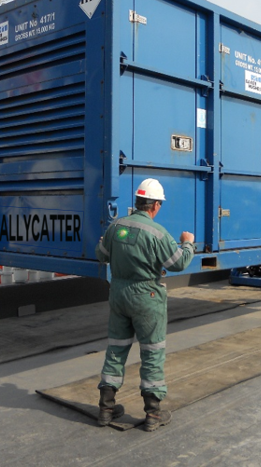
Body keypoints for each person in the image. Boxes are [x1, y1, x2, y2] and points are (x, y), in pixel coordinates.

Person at [95, 178, 195, 431]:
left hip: (118, 294)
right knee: (152, 353)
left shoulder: (116, 226)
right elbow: (178, 264)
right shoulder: (158, 233)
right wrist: (187, 243)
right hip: (146, 298)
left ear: (138, 202)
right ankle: (153, 414)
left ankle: (106, 409)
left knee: (116, 349)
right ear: (156, 205)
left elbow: (101, 255)